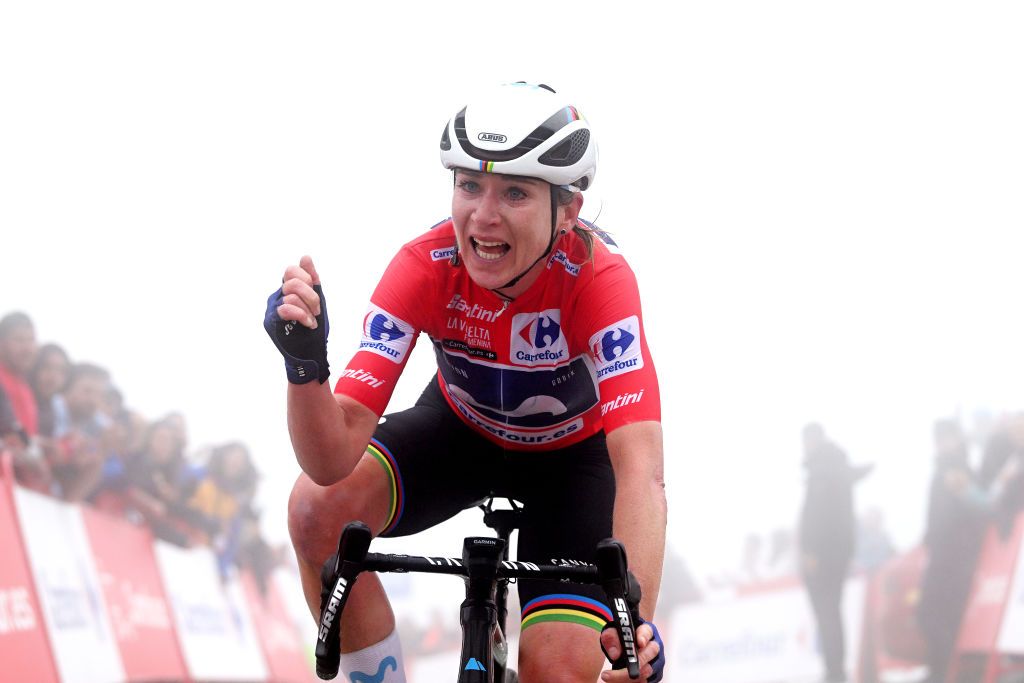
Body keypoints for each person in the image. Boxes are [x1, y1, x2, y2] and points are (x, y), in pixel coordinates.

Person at [266, 83, 666, 683]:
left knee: (559, 674)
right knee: (314, 510)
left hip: (574, 467)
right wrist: (305, 368)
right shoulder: (424, 266)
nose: (483, 216)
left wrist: (632, 622)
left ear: (569, 211)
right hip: (460, 434)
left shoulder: (598, 280)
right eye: (469, 185)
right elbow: (332, 457)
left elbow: (639, 464)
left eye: (516, 193)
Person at [916, 418, 989, 683]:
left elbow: (974, 510)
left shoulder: (960, 469)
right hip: (942, 552)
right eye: (939, 438)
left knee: (939, 614)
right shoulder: (943, 469)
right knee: (930, 613)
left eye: (948, 437)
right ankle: (941, 670)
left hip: (956, 554)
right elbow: (937, 514)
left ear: (958, 439)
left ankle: (946, 671)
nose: (942, 443)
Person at [799, 423, 871, 683]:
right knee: (833, 612)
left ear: (812, 441)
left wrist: (810, 550)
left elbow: (817, 516)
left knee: (826, 612)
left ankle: (834, 672)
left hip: (823, 555)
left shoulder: (821, 472)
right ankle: (836, 669)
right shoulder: (839, 469)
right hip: (840, 552)